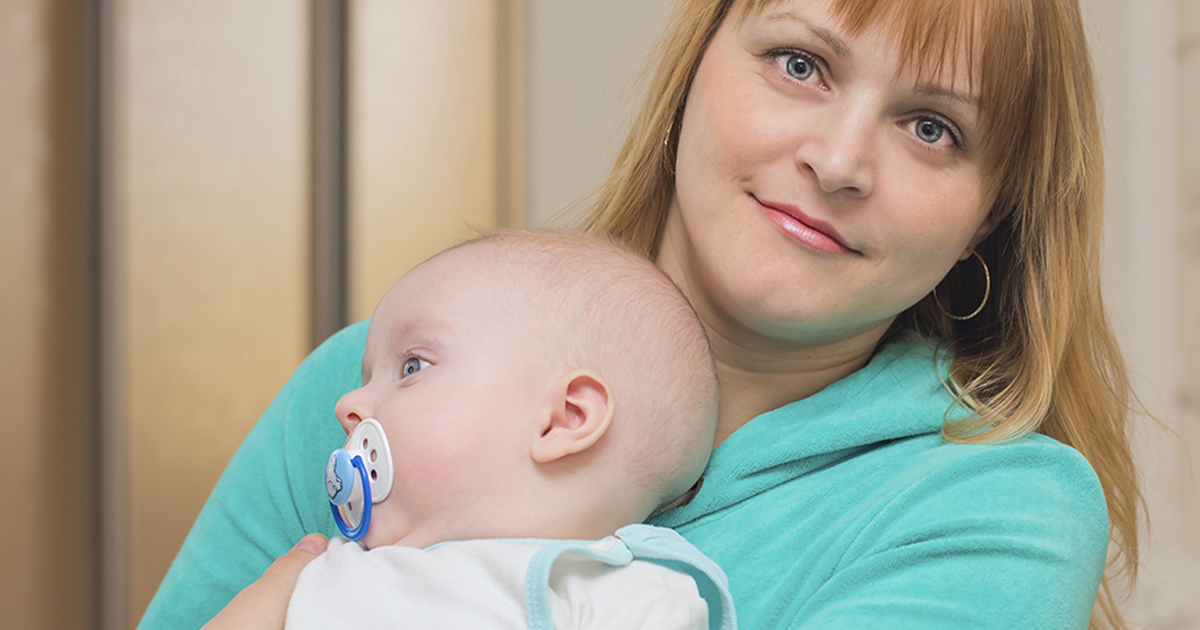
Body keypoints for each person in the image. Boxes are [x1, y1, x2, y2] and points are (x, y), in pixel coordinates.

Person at [139, 0, 1142, 628]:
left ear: (987, 219)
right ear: (694, 71)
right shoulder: (369, 382)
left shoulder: (999, 509)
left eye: (932, 128)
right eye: (800, 64)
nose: (839, 161)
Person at [212, 231, 735, 629]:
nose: (348, 406)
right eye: (366, 377)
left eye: (412, 366)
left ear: (564, 419)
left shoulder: (622, 595)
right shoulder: (318, 574)